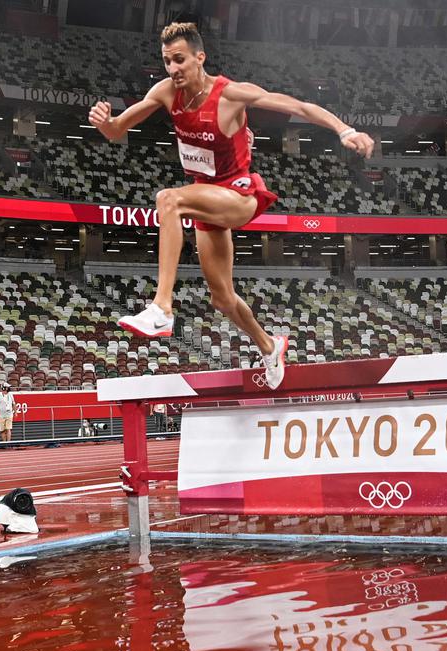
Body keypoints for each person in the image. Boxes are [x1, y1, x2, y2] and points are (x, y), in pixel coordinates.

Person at [88, 22, 374, 390]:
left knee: (168, 199)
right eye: (166, 62)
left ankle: (161, 307)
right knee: (222, 298)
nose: (173, 69)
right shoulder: (164, 92)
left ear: (199, 58)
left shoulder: (230, 95)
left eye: (179, 60)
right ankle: (270, 347)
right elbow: (116, 132)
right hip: (207, 198)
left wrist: (345, 130)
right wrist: (104, 122)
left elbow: (297, 105)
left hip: (240, 195)